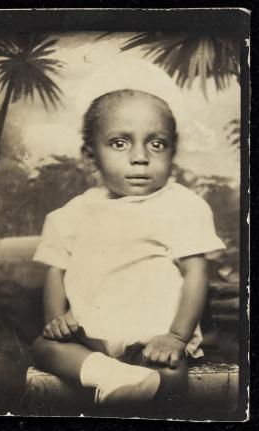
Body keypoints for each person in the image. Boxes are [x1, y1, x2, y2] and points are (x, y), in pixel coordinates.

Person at [31, 89, 225, 407]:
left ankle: (130, 388)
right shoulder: (68, 215)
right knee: (44, 347)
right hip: (89, 337)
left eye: (156, 143)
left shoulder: (181, 205)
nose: (140, 157)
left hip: (154, 336)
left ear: (172, 153)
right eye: (119, 143)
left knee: (170, 374)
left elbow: (195, 272)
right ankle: (112, 375)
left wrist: (176, 336)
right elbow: (56, 270)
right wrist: (56, 321)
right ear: (90, 156)